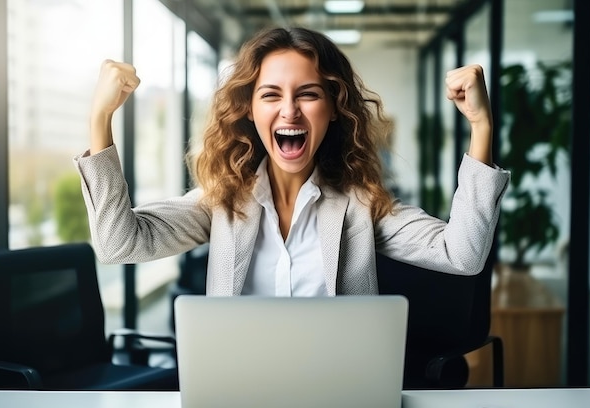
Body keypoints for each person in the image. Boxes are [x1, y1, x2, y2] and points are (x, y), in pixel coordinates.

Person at [74, 26, 510, 296]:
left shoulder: (362, 206)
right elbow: (118, 244)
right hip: (241, 394)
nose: (290, 111)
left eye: (308, 94)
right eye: (270, 95)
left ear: (334, 107)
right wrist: (100, 118)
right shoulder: (220, 203)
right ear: (248, 109)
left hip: (341, 396)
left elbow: (464, 254)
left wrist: (482, 127)